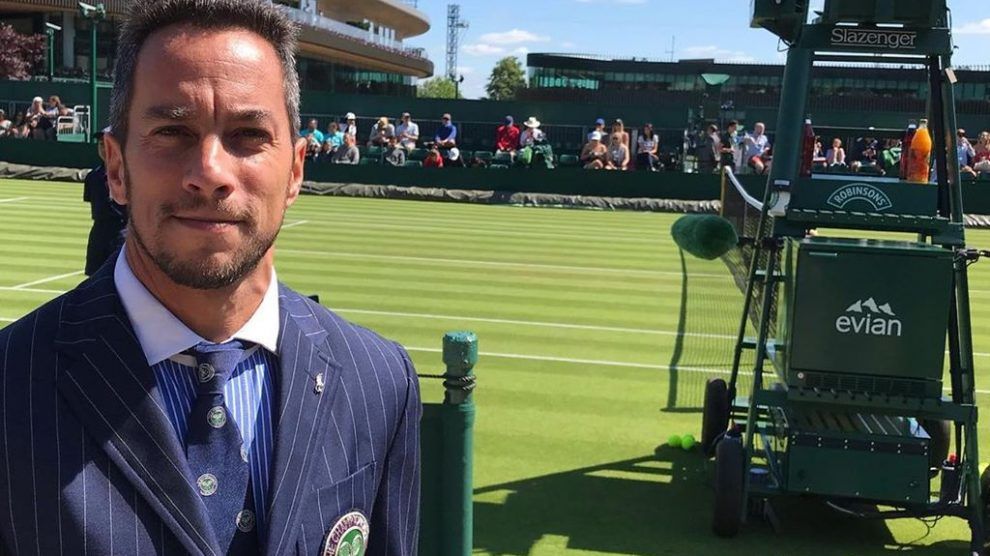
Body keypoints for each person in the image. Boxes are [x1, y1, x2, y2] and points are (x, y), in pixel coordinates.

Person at [0, 2, 421, 555]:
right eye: (172, 131)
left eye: (248, 134)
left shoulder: (379, 381)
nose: (210, 174)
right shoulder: (11, 383)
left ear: (295, 171)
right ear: (116, 168)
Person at [83, 126, 128, 276]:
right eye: (101, 144)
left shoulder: (130, 175)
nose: (104, 148)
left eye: (107, 144)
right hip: (100, 231)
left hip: (123, 230)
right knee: (94, 276)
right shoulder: (93, 176)